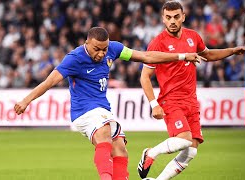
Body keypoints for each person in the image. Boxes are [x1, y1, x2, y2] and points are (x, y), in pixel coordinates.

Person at [14, 27, 205, 180]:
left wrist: (182, 56)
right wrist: (26, 100)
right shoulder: (74, 59)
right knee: (104, 133)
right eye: (97, 49)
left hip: (102, 110)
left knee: (120, 148)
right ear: (86, 43)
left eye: (104, 49)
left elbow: (146, 56)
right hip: (83, 112)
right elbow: (49, 82)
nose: (101, 53)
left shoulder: (113, 48)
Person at [137, 1, 245, 179]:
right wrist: (154, 104)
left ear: (183, 17)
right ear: (163, 19)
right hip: (171, 100)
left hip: (191, 101)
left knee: (191, 151)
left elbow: (208, 55)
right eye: (168, 17)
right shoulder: (157, 43)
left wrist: (232, 50)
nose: (173, 21)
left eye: (176, 17)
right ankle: (150, 153)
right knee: (184, 139)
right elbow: (144, 77)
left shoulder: (193, 37)